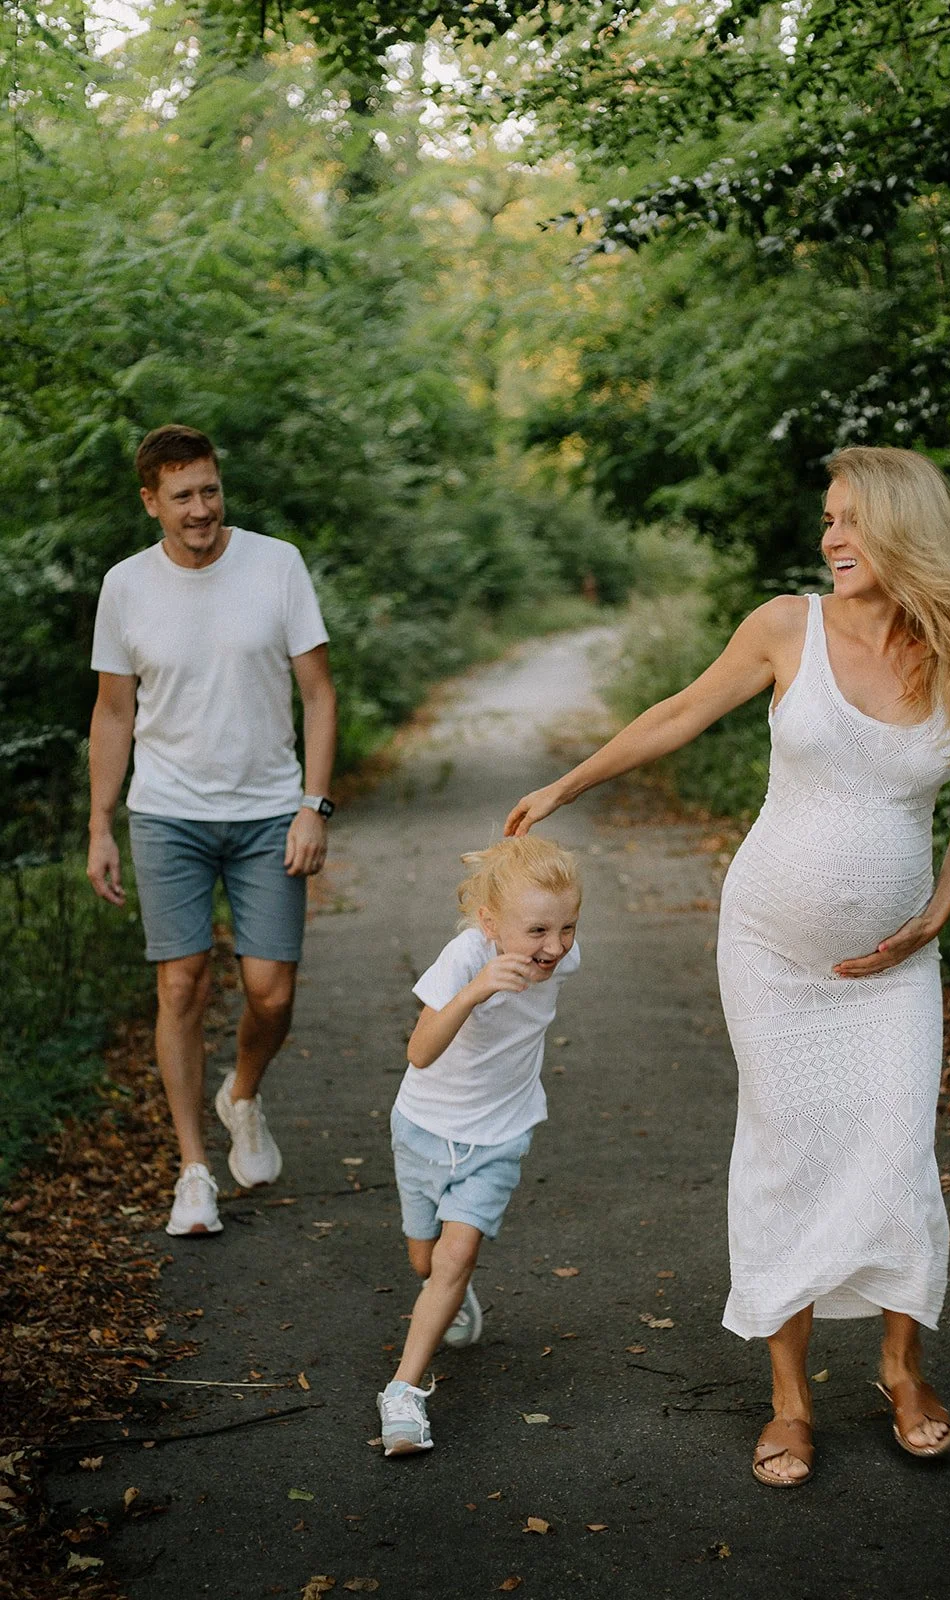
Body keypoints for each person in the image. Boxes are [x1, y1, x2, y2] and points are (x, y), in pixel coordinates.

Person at [505, 446, 950, 1486]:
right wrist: (568, 783)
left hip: (892, 965)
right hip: (771, 952)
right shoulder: (789, 627)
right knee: (785, 1148)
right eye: (826, 519)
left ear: (905, 528)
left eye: (851, 519)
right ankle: (788, 1401)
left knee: (898, 1147)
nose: (831, 538)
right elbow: (680, 712)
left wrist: (932, 920)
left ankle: (901, 1369)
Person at [87, 424, 337, 1239]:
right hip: (167, 813)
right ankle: (194, 1170)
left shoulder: (277, 564)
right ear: (151, 501)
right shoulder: (124, 586)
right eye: (183, 495)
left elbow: (321, 695)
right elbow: (114, 712)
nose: (201, 508)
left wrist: (313, 804)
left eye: (210, 490)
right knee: (180, 983)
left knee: (272, 991)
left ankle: (242, 1093)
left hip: (269, 809)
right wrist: (100, 823)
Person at [377, 836, 582, 1456]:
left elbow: (543, 915)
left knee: (453, 1256)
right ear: (491, 925)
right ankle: (447, 1285)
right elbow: (418, 1052)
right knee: (425, 1261)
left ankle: (403, 1395)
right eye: (538, 931)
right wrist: (475, 990)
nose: (555, 947)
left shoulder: (558, 958)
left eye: (569, 927)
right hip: (423, 1129)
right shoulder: (465, 956)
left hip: (499, 1136)